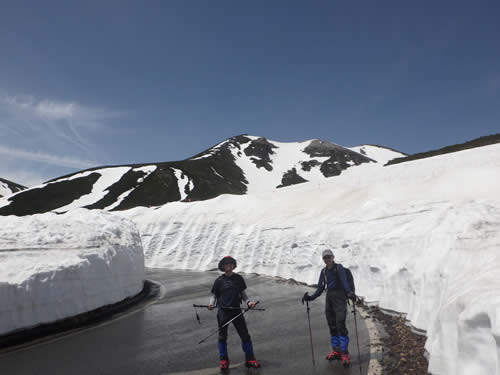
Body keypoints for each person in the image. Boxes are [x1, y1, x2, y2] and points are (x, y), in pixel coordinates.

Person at [302, 249, 356, 367]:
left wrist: (349, 293)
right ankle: (336, 350)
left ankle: (344, 353)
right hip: (329, 299)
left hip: (340, 298)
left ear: (333, 257)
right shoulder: (324, 272)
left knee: (340, 324)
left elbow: (344, 281)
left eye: (329, 257)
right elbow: (320, 288)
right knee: (332, 325)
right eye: (325, 258)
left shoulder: (339, 268)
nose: (327, 259)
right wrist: (310, 298)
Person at [208, 256, 261, 370]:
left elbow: (243, 294)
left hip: (236, 311)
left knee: (245, 336)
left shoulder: (238, 278)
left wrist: (248, 302)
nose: (228, 265)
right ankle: (224, 361)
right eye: (226, 264)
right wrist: (211, 304)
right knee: (222, 337)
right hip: (223, 312)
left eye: (231, 264)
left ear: (233, 265)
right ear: (222, 266)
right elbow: (214, 296)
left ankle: (250, 359)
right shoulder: (219, 281)